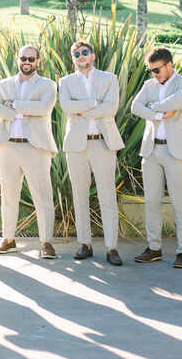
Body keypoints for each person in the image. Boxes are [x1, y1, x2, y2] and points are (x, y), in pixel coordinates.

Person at [131, 46, 182, 269]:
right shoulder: (149, 85)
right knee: (151, 201)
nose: (154, 74)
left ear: (169, 65)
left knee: (179, 202)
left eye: (156, 70)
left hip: (177, 151)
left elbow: (175, 103)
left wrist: (151, 108)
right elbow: (135, 107)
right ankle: (154, 248)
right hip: (151, 151)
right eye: (151, 70)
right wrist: (158, 114)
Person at [0, 45, 59, 259]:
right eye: (23, 58)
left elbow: (43, 109)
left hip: (35, 147)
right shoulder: (4, 84)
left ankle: (46, 242)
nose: (26, 62)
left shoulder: (48, 85)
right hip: (8, 145)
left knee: (42, 196)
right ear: (17, 59)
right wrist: (25, 110)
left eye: (31, 58)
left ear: (38, 61)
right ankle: (8, 239)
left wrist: (14, 105)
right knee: (9, 195)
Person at [59, 40, 123, 266]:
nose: (81, 56)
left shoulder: (109, 78)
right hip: (76, 145)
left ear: (93, 55)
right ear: (73, 58)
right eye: (76, 53)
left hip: (102, 143)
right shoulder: (65, 82)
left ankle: (111, 247)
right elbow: (67, 107)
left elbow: (111, 108)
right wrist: (95, 104)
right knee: (80, 195)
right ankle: (84, 243)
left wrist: (83, 109)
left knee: (107, 195)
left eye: (85, 52)